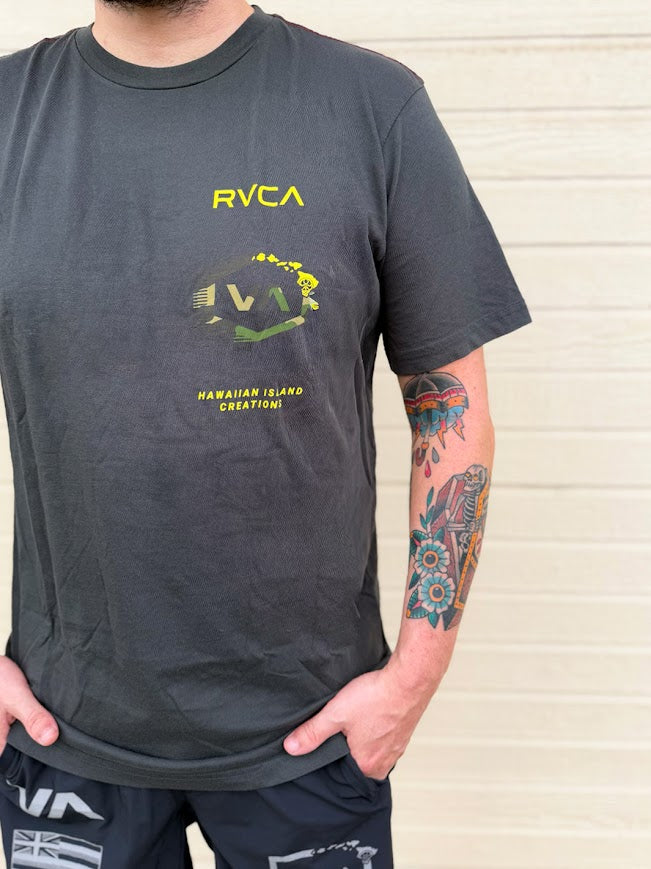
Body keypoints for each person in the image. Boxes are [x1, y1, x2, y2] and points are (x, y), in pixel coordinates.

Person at [0, 0, 533, 865]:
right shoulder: (8, 111)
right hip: (65, 734)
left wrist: (414, 675)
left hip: (312, 736)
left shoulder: (369, 105)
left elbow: (449, 406)